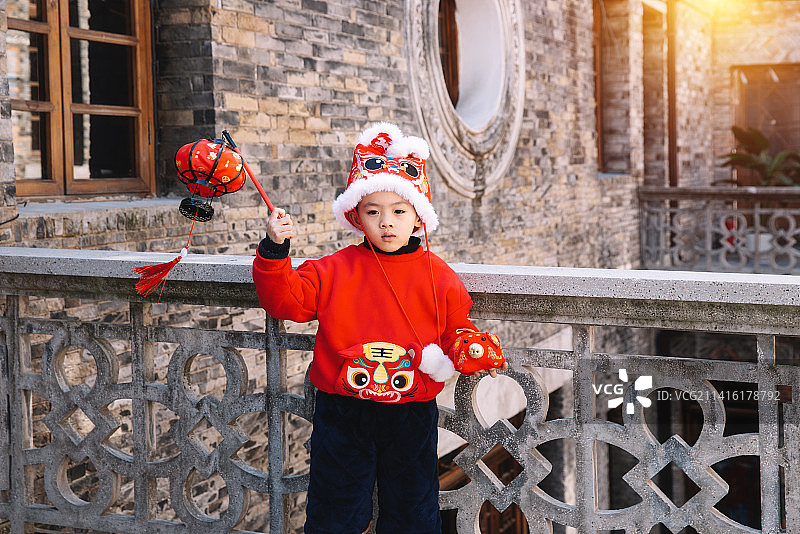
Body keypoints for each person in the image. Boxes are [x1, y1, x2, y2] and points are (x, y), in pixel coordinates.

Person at [252, 122, 506, 534]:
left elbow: (457, 330)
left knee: (412, 510)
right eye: (374, 212)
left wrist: (472, 349)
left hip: (410, 412)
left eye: (399, 211)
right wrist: (275, 250)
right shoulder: (335, 269)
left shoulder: (438, 276)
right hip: (343, 410)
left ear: (417, 216)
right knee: (335, 510)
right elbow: (286, 300)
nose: (386, 223)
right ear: (357, 216)